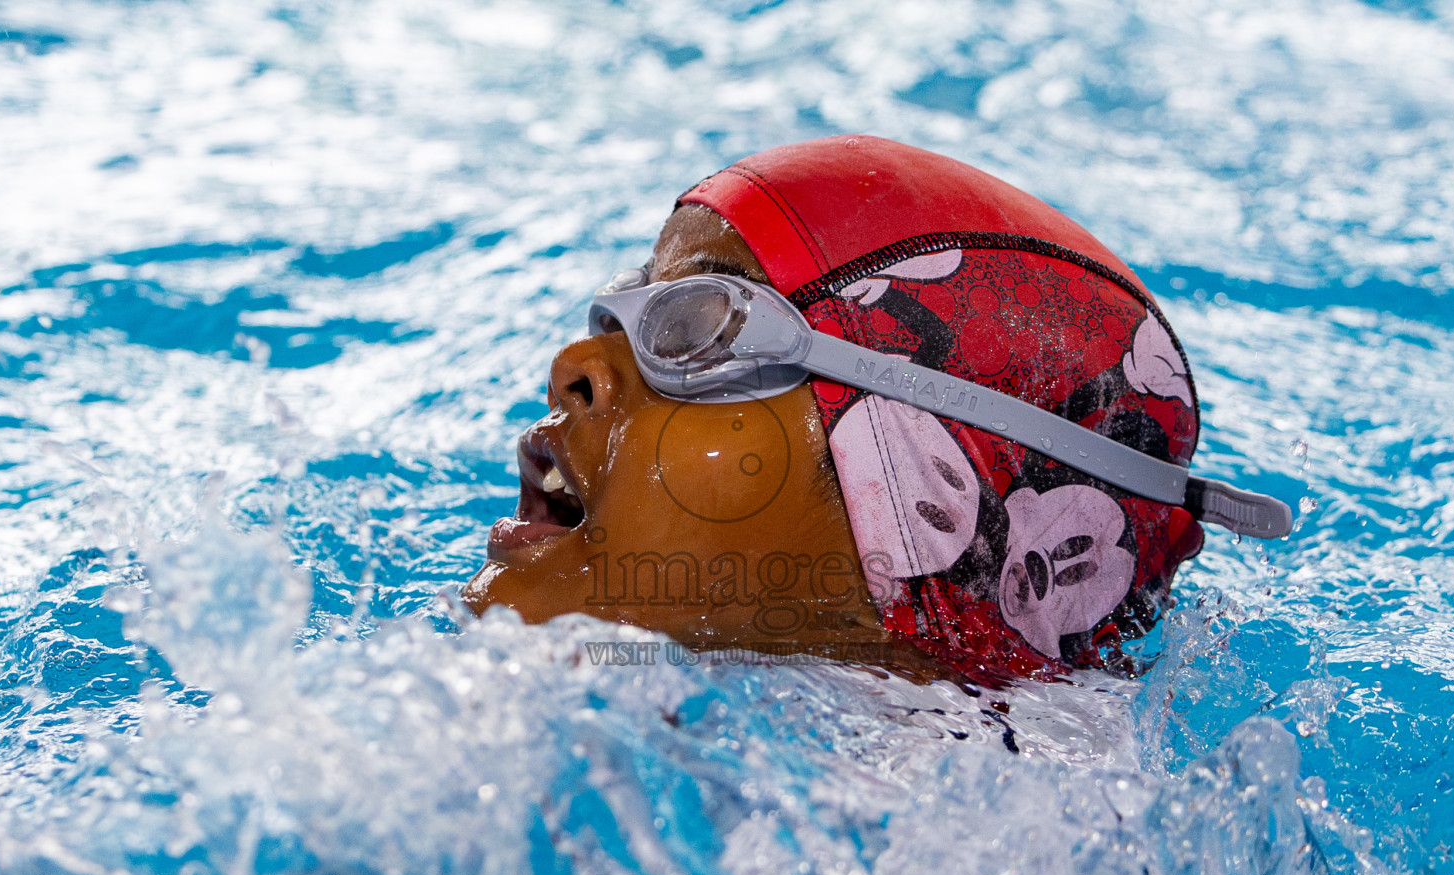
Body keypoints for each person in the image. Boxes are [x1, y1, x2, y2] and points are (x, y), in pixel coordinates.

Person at [463, 136, 1289, 685]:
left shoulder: (1006, 857)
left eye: (704, 328)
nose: (577, 365)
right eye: (628, 307)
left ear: (913, 497)